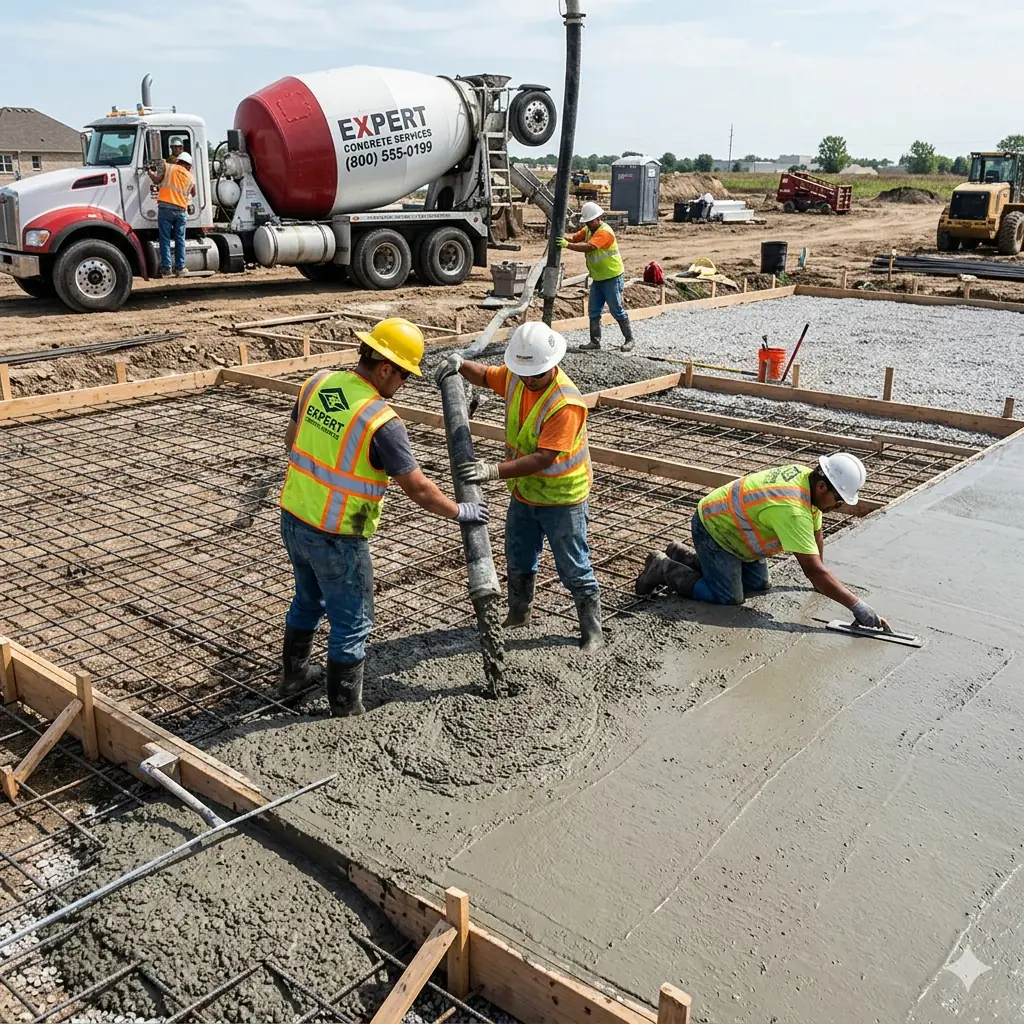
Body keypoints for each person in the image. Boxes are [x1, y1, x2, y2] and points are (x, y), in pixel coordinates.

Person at [279, 318, 488, 716]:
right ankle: (345, 709)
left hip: (293, 518)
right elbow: (418, 488)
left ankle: (293, 677)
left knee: (307, 599)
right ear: (386, 368)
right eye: (404, 375)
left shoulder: (318, 382)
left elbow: (292, 441)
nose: (404, 384)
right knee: (352, 621)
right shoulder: (380, 421)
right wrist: (460, 510)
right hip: (337, 535)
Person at [435, 322, 604, 652]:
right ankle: (518, 613)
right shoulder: (519, 376)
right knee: (518, 554)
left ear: (551, 365)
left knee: (573, 566)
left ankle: (592, 630)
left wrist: (493, 471)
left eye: (535, 375)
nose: (529, 380)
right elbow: (486, 376)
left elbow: (544, 457)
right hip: (525, 493)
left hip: (562, 498)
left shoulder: (565, 403)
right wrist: (461, 363)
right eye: (525, 373)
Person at [634, 453, 889, 629]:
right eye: (839, 500)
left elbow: (816, 532)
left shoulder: (807, 479)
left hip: (737, 531)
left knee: (758, 584)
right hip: (714, 529)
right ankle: (663, 568)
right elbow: (812, 570)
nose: (838, 507)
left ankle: (682, 555)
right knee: (729, 597)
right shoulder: (792, 509)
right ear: (822, 487)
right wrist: (857, 606)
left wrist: (821, 581)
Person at [558, 201, 634, 353]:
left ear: (598, 219)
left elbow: (589, 247)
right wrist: (561, 237)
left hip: (612, 276)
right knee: (594, 310)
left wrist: (566, 245)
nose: (587, 224)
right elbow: (575, 238)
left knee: (616, 309)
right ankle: (595, 341)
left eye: (590, 221)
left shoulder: (605, 232)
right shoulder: (588, 229)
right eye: (586, 222)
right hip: (598, 278)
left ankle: (629, 339)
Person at [147, 139, 196, 277]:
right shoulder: (190, 177)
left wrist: (149, 172)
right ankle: (180, 268)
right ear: (189, 165)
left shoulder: (169, 167)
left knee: (165, 239)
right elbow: (193, 193)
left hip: (165, 208)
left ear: (178, 161)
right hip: (181, 210)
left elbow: (156, 180)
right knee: (180, 239)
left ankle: (167, 269)